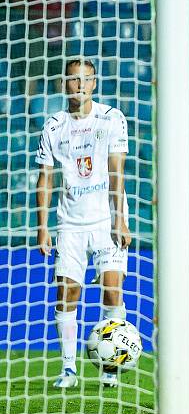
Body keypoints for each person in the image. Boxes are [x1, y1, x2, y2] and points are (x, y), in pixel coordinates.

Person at [36, 58, 131, 389]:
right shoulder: (53, 126)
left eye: (85, 79)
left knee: (112, 287)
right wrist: (42, 227)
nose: (79, 85)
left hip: (107, 220)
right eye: (73, 79)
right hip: (70, 224)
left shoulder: (111, 118)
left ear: (94, 83)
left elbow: (117, 172)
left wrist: (120, 218)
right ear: (65, 84)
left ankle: (110, 367)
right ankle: (68, 369)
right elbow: (45, 178)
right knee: (67, 292)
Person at [10, 0, 78, 98]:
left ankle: (62, 113)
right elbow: (17, 1)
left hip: (60, 31)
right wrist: (33, 13)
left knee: (60, 73)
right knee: (32, 71)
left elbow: (71, 4)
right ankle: (27, 112)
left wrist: (56, 19)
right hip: (36, 31)